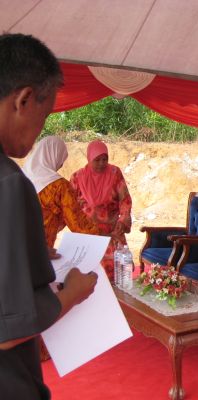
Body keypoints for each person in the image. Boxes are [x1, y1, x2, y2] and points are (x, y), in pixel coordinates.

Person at [0, 33, 98, 400]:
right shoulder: (9, 183)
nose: (39, 131)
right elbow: (9, 329)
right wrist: (73, 293)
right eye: (43, 118)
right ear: (23, 100)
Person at [70, 140, 132, 280]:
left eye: (105, 159)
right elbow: (70, 207)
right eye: (97, 160)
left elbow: (125, 199)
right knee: (88, 275)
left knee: (117, 275)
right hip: (88, 235)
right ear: (89, 158)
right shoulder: (77, 178)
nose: (101, 163)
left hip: (112, 233)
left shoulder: (115, 173)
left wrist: (123, 219)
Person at [23, 136, 99, 249]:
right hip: (39, 251)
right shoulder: (59, 186)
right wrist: (103, 236)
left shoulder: (17, 178)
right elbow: (79, 225)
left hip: (10, 249)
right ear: (53, 156)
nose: (61, 164)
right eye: (61, 159)